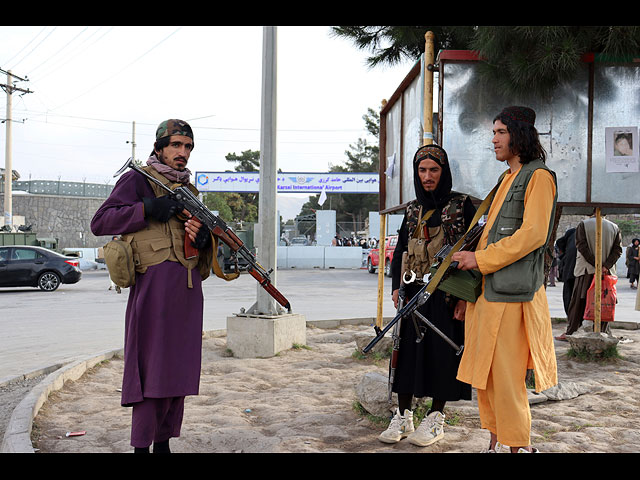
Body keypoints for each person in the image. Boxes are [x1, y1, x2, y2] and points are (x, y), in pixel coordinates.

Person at [91, 119, 215, 453]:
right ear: (159, 147)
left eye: (188, 147)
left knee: (179, 372)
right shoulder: (138, 180)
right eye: (176, 145)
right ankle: (141, 447)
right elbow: (100, 222)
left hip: (188, 291)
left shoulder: (191, 192)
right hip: (153, 291)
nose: (183, 153)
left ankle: (163, 444)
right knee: (151, 370)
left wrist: (203, 241)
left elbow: (199, 249)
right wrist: (147, 208)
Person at [452, 106, 558, 453]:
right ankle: (496, 444)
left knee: (509, 380)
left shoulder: (539, 177)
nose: (493, 140)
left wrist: (479, 260)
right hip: (489, 293)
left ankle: (520, 448)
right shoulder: (507, 178)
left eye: (500, 132)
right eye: (493, 133)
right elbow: (488, 234)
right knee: (488, 377)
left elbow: (533, 235)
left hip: (513, 297)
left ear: (519, 134)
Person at [378, 144, 475, 447]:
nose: (428, 176)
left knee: (442, 354)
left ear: (443, 171)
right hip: (412, 293)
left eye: (434, 170)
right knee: (404, 354)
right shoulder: (412, 210)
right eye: (422, 170)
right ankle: (404, 415)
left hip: (447, 295)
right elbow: (401, 252)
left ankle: (435, 419)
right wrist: (396, 287)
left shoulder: (462, 206)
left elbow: (475, 252)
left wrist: (465, 298)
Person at [556, 212, 622, 340]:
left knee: (577, 303)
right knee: (605, 302)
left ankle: (571, 332)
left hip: (586, 270)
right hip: (607, 272)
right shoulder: (614, 227)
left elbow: (581, 246)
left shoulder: (583, 225)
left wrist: (595, 264)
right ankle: (602, 332)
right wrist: (605, 266)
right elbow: (617, 250)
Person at [555, 227, 577, 315]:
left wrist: (563, 255)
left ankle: (570, 315)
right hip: (578, 269)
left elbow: (559, 242)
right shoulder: (579, 234)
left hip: (568, 268)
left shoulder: (571, 233)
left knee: (568, 293)